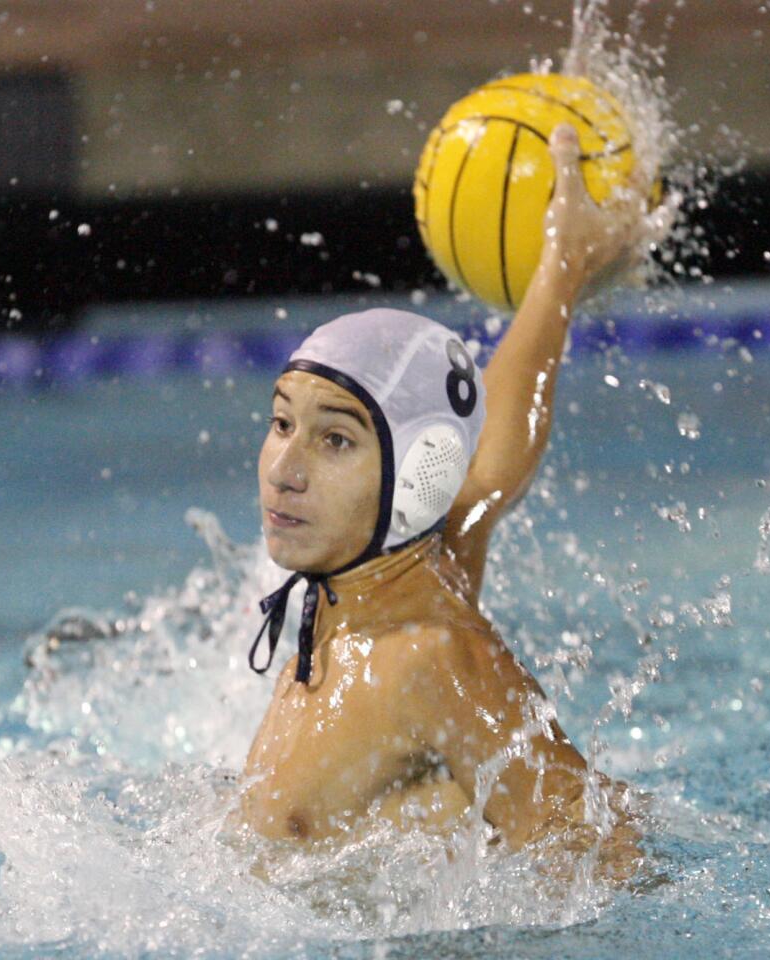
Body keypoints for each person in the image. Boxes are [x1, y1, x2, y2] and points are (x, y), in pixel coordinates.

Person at [238, 123, 675, 880]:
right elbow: (487, 471)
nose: (285, 468)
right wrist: (560, 270)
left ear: (413, 478)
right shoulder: (380, 579)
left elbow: (609, 857)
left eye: (335, 440)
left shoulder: (430, 657)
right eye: (281, 423)